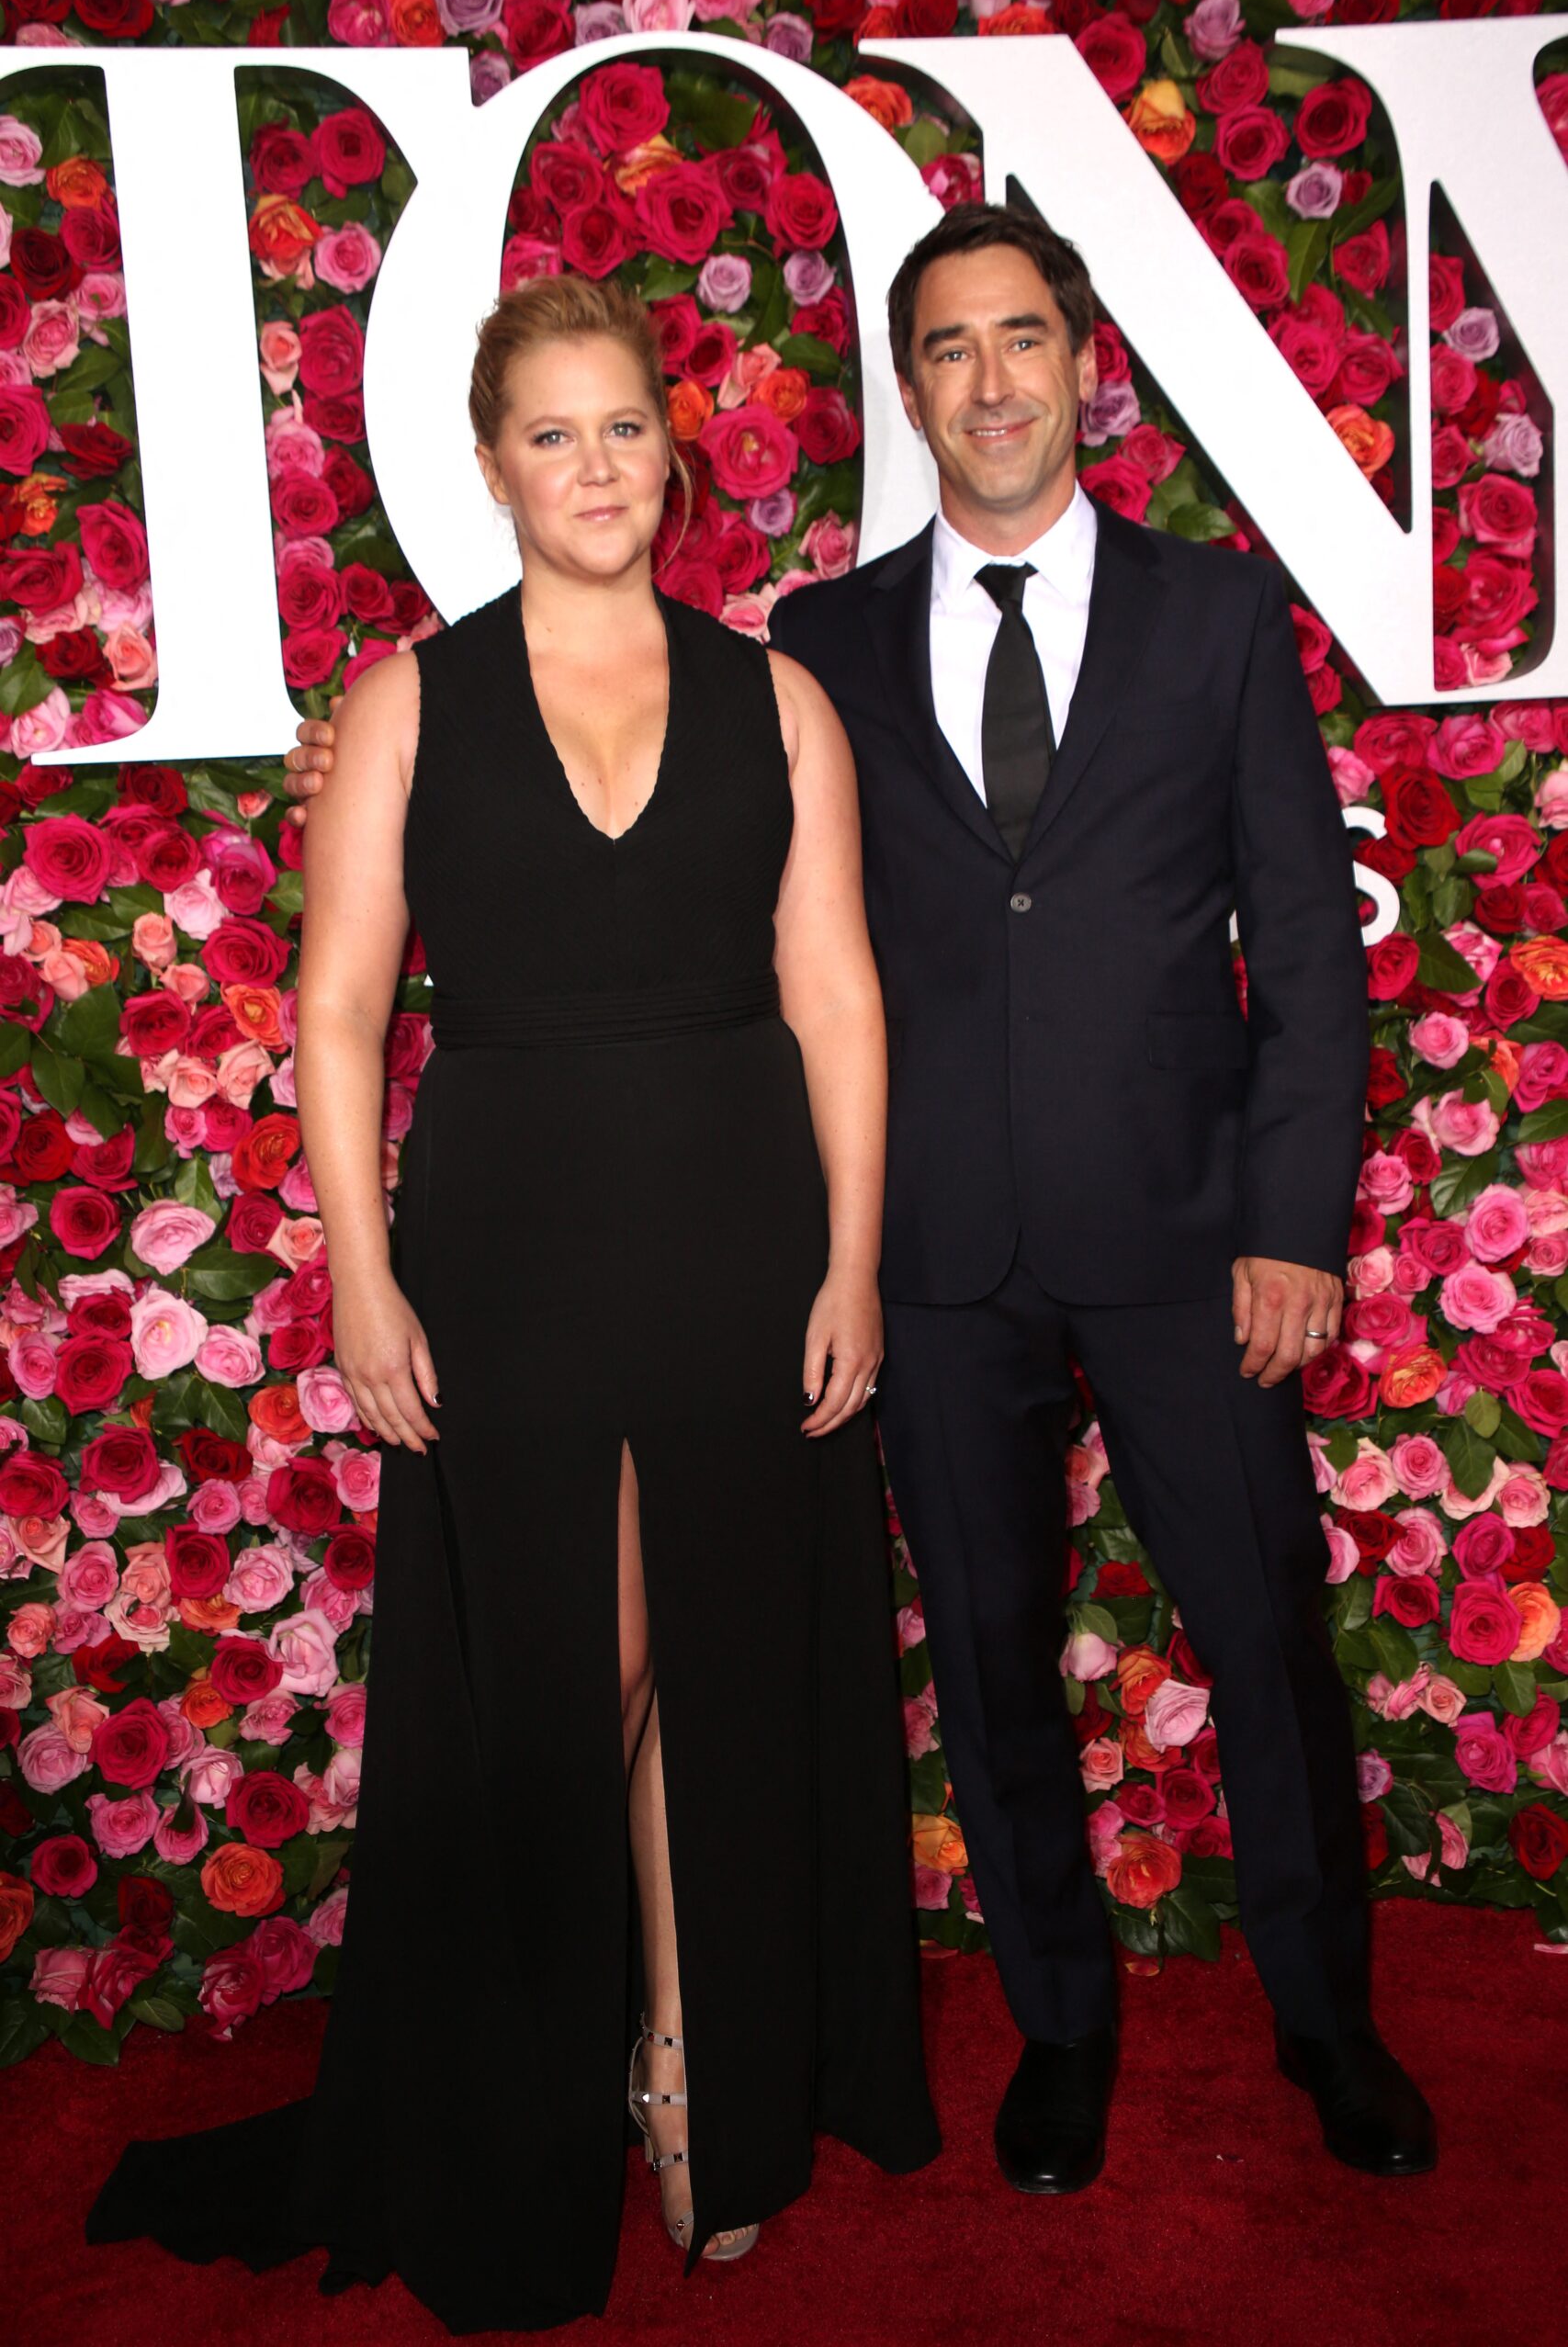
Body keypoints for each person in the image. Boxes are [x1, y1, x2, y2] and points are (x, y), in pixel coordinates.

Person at [285, 208, 1437, 2195]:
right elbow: (593, 832)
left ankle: (1325, 2024)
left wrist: (1293, 1221)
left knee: (1263, 1643)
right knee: (987, 1657)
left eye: (1018, 340)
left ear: (1081, 364)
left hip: (1181, 1243)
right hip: (926, 1262)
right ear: (905, 395)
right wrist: (360, 749)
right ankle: (1056, 2029)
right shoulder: (811, 645)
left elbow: (1305, 962)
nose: (986, 381)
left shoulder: (1216, 619)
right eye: (944, 352)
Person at [86, 276, 939, 2335]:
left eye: (624, 428)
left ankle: (679, 2055)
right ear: (490, 466)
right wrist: (358, 1270)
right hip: (515, 1254)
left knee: (715, 1655)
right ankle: (561, 2077)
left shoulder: (775, 699)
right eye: (551, 436)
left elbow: (834, 989)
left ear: (674, 448)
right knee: (577, 1668)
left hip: (742, 1239)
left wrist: (847, 1254)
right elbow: (342, 1006)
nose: (594, 468)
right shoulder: (407, 702)